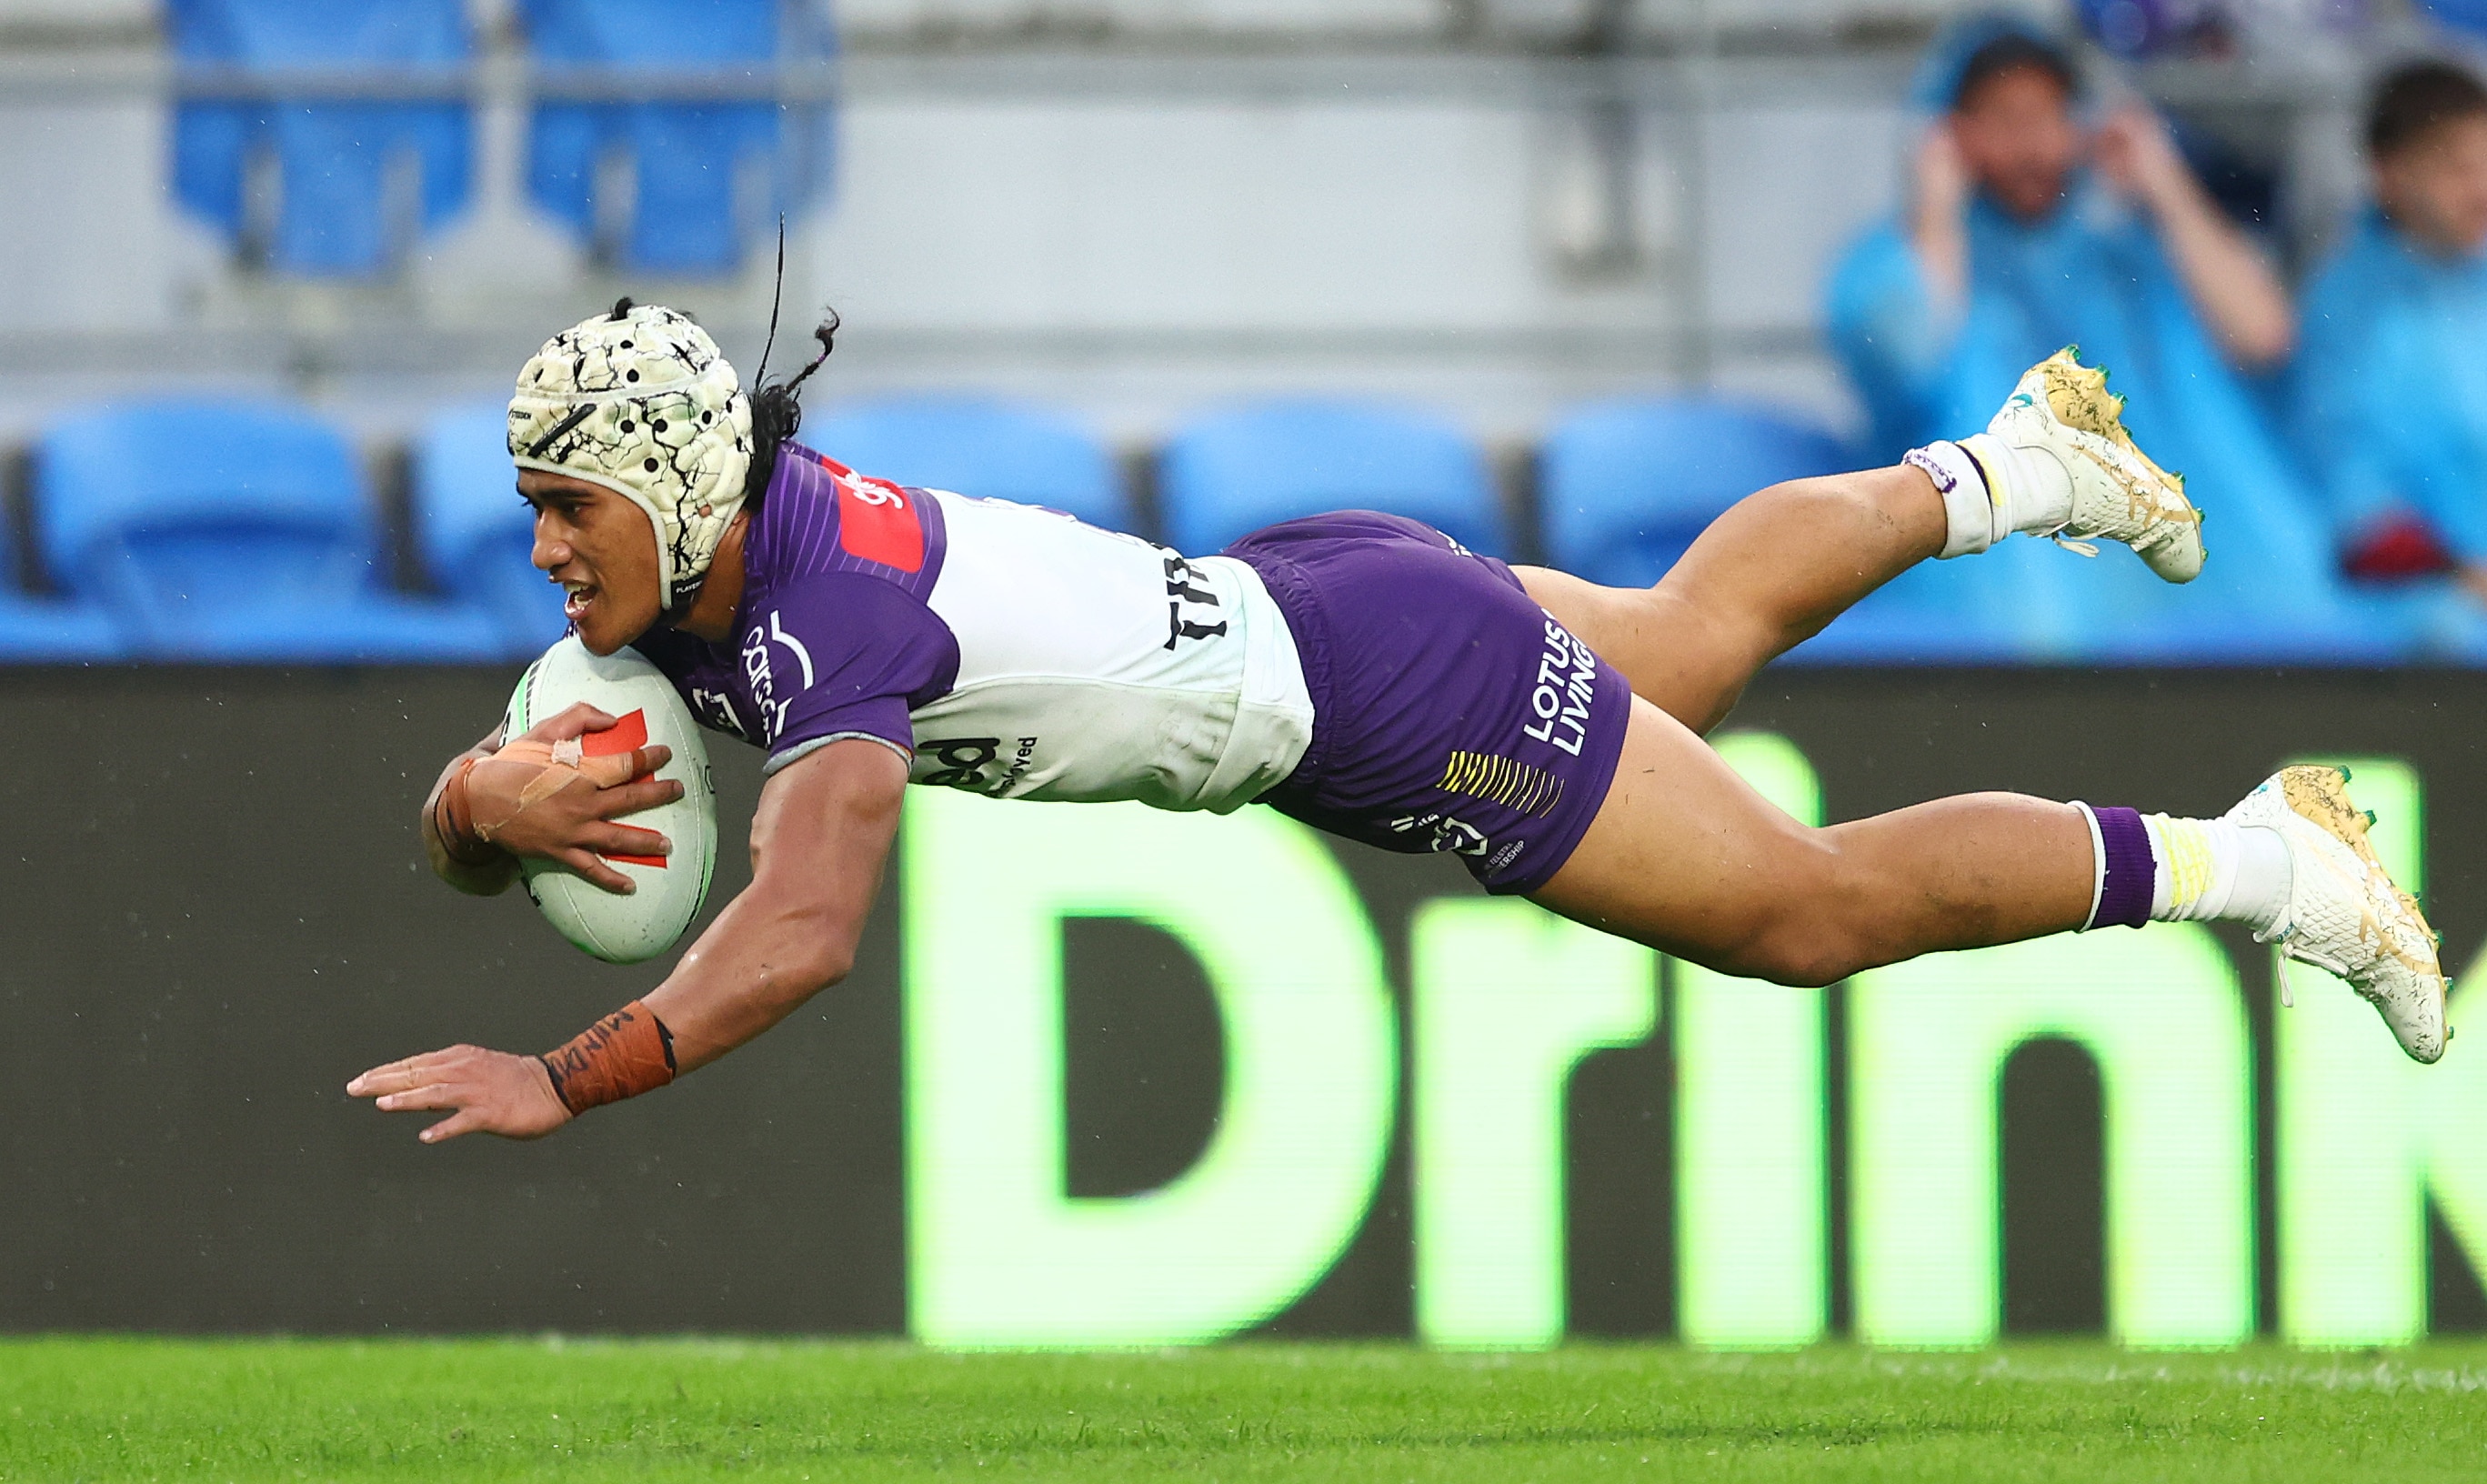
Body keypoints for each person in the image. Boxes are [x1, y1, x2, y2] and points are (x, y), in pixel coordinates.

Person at [349, 302, 2445, 1148]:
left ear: (672, 486)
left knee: (1799, 912)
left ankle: (2271, 858)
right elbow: (535, 804)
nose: (541, 551)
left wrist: (570, 1075)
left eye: (564, 507)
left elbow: (801, 929)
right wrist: (465, 804)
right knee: (1686, 643)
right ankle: (2011, 466)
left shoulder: (825, 621)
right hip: (1316, 583)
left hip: (1364, 685)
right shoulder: (707, 566)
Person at [1824, 18, 2331, 641]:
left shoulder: (2131, 253)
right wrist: (1934, 204)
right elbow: (1909, 355)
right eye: (2002, 121)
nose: (2030, 147)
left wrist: (2164, 185)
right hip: (2002, 612)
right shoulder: (1897, 261)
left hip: (2200, 597)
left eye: (2046, 117)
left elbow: (2262, 335)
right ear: (1950, 134)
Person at [2294, 61, 2487, 605]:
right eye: (2455, 167)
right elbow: (2353, 495)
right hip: (2418, 624)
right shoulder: (2344, 310)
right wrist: (2455, 573)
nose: (2481, 188)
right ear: (2389, 173)